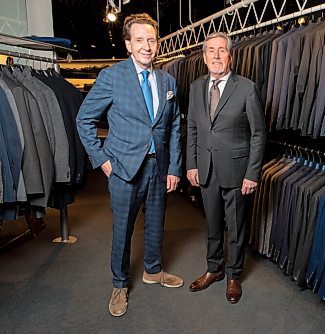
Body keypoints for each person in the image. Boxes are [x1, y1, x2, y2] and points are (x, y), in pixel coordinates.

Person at [76, 13, 183, 317]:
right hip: (123, 169)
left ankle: (153, 270)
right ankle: (120, 283)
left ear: (158, 43)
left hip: (158, 167)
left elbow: (173, 126)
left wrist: (174, 167)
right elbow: (84, 120)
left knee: (156, 224)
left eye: (151, 40)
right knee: (123, 230)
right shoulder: (112, 77)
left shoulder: (167, 80)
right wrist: (102, 160)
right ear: (128, 44)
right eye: (139, 40)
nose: (146, 46)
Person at [186, 32, 267, 304]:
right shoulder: (197, 87)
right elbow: (193, 128)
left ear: (230, 55)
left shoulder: (246, 87)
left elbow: (258, 134)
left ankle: (233, 275)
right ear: (204, 56)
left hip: (236, 171)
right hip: (206, 169)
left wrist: (252, 173)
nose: (216, 56)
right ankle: (214, 269)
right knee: (211, 225)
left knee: (235, 226)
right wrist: (191, 165)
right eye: (211, 51)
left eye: (222, 50)